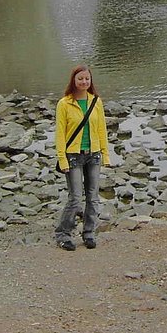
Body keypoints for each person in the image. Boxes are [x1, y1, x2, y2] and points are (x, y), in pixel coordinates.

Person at [54, 65, 110, 251]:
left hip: (93, 154)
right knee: (75, 198)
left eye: (87, 78)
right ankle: (63, 234)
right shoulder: (64, 103)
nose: (84, 82)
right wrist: (62, 159)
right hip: (73, 156)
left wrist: (105, 154)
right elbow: (60, 134)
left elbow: (102, 128)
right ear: (73, 81)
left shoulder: (96, 101)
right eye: (80, 79)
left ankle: (89, 233)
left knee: (93, 197)